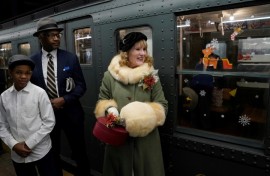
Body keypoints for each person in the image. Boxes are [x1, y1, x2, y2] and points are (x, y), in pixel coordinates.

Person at [94, 32, 168, 176]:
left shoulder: (151, 76)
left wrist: (144, 117)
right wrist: (110, 110)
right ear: (126, 52)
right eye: (137, 49)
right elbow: (102, 101)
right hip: (118, 140)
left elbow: (162, 105)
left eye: (144, 49)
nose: (142, 53)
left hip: (146, 142)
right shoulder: (110, 76)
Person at [30, 17, 91, 176]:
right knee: (52, 152)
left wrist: (64, 99)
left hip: (72, 114)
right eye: (52, 35)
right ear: (41, 37)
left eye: (58, 35)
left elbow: (81, 86)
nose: (57, 38)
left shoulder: (70, 58)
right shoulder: (32, 62)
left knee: (79, 152)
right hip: (46, 117)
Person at [0, 54, 58, 176]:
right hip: (17, 154)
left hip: (41, 151)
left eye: (28, 73)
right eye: (19, 72)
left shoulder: (39, 93)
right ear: (10, 72)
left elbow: (49, 122)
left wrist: (28, 144)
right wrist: (14, 145)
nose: (24, 76)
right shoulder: (4, 96)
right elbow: (2, 125)